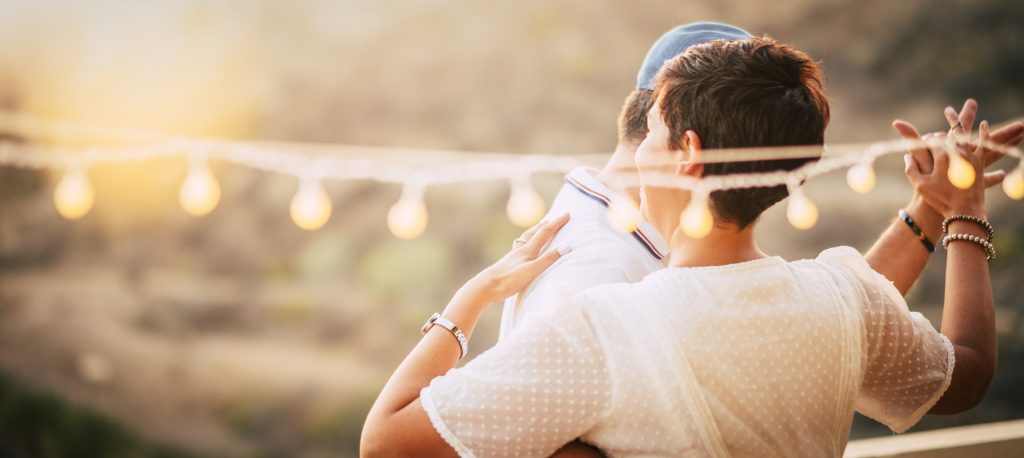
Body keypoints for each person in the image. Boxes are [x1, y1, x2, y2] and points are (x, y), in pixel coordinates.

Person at [361, 35, 1022, 456]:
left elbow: (388, 441)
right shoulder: (842, 296)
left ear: (687, 153)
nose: (637, 150)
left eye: (650, 131)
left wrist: (468, 301)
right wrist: (957, 212)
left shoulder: (608, 328)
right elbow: (967, 376)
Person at [499, 22, 1023, 346]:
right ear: (688, 141)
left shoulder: (672, 236)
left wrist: (933, 207)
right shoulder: (596, 267)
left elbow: (837, 318)